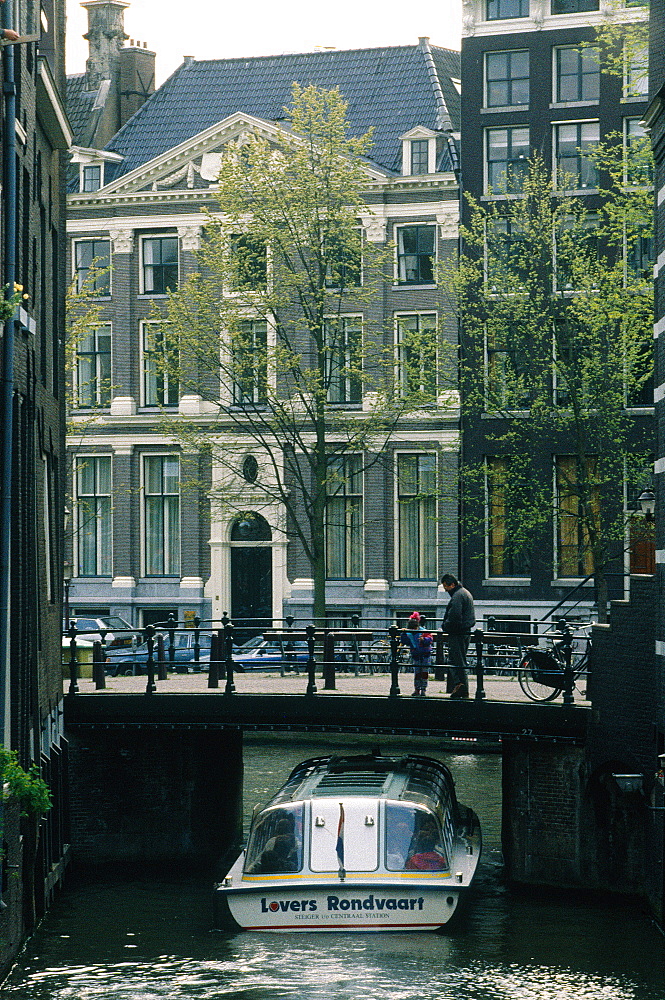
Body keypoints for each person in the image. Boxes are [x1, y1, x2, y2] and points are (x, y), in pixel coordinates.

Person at [440, 573, 476, 699]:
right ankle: (461, 687)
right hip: (465, 631)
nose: (445, 590)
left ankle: (461, 687)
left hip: (457, 633)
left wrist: (445, 626)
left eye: (446, 587)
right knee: (459, 660)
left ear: (452, 584)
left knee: (455, 661)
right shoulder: (465, 593)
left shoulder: (457, 596)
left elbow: (454, 616)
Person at [400, 612, 432, 697]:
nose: (414, 630)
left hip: (425, 654)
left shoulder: (423, 632)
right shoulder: (409, 633)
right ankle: (417, 689)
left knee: (424, 672)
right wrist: (403, 634)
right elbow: (404, 641)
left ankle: (423, 690)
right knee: (417, 672)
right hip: (417, 655)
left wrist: (424, 639)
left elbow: (430, 639)